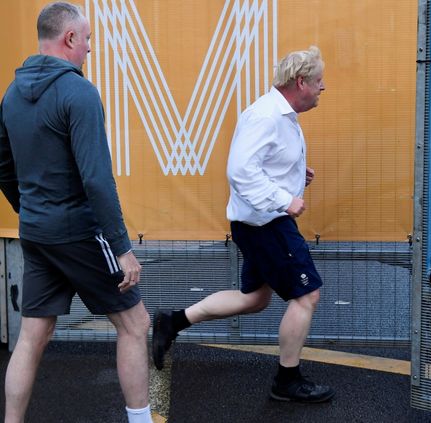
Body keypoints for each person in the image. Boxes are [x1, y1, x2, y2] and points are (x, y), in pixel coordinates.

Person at [152, 46, 334, 404]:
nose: (322, 87)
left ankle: (171, 322)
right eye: (318, 81)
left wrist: (296, 175)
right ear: (300, 82)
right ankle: (287, 381)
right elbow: (239, 171)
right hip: (267, 224)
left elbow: (262, 166)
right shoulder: (266, 116)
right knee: (306, 295)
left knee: (255, 299)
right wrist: (284, 199)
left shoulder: (282, 115)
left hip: (259, 222)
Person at [0, 3, 152, 422]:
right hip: (79, 232)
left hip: (37, 231)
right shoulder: (79, 92)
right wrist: (122, 248)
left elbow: (3, 166)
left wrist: (32, 210)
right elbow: (97, 180)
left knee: (32, 334)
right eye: (86, 40)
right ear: (69, 39)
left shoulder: (11, 93)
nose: (89, 48)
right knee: (135, 326)